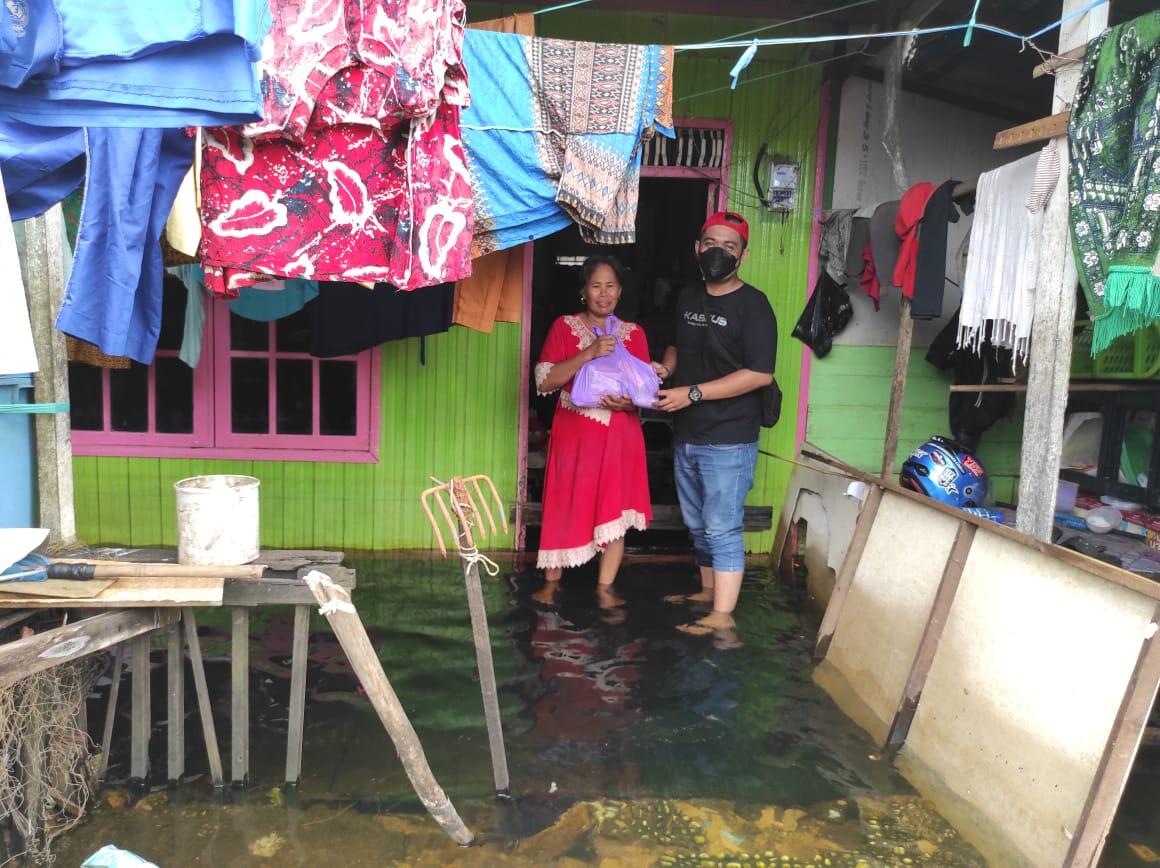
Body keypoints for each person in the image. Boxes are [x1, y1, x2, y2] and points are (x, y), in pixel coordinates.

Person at [654, 211, 777, 635]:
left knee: (722, 527)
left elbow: (760, 373)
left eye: (729, 246)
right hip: (687, 432)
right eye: (711, 244)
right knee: (697, 525)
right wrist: (665, 370)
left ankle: (722, 617)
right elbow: (677, 345)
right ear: (697, 249)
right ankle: (707, 595)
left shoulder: (754, 305)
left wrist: (692, 393)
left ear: (742, 254)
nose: (718, 252)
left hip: (730, 437)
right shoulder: (688, 296)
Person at [534, 255, 653, 605]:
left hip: (619, 435)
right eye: (596, 286)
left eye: (610, 286)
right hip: (575, 434)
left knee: (613, 506)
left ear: (620, 291)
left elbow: (644, 392)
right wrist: (588, 353)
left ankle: (605, 590)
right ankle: (551, 585)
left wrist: (628, 404)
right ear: (583, 291)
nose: (604, 294)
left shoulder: (634, 334)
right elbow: (544, 382)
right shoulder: (563, 327)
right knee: (565, 501)